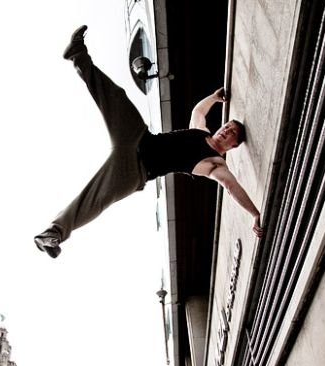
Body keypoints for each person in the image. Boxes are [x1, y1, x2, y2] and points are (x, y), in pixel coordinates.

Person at [34, 25, 263, 259]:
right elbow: (199, 110)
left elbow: (232, 188)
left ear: (233, 146)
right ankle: (78, 55)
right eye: (227, 125)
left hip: (135, 171)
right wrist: (214, 97)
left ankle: (52, 234)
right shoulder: (199, 131)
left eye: (232, 132)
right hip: (137, 136)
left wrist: (254, 213)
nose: (226, 129)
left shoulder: (215, 164)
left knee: (96, 198)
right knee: (117, 97)